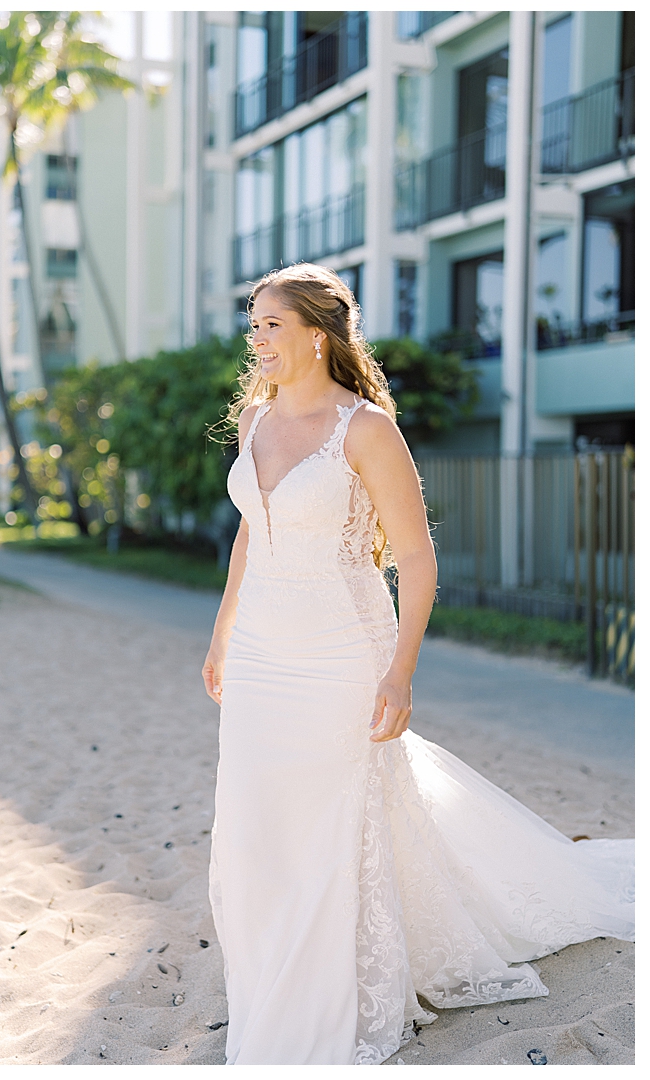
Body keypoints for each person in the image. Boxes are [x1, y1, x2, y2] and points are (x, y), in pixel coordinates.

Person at [199, 262, 633, 1065]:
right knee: (260, 817)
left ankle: (325, 993)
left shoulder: (364, 429)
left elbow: (418, 560)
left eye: (270, 324)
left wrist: (399, 672)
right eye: (252, 323)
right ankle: (267, 966)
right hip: (262, 648)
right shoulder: (255, 420)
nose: (256, 339)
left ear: (318, 335)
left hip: (340, 651)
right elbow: (251, 534)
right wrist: (224, 630)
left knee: (336, 817)